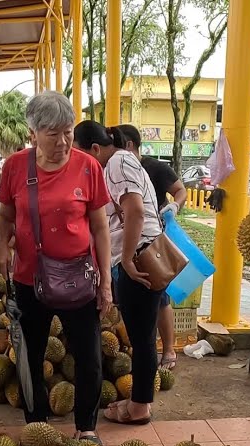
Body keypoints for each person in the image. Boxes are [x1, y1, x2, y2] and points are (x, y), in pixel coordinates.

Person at [0, 92, 113, 446]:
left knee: (89, 357)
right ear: (33, 133)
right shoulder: (15, 167)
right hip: (30, 278)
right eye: (52, 134)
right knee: (29, 357)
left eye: (68, 132)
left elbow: (100, 227)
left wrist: (105, 280)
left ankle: (87, 428)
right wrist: (2, 242)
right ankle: (38, 425)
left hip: (79, 277)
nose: (62, 142)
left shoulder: (87, 167)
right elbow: (4, 215)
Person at [73, 121, 164, 426]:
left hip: (139, 256)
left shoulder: (115, 163)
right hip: (145, 252)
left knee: (142, 338)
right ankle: (139, 401)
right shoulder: (124, 160)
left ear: (95, 149)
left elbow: (135, 210)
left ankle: (139, 407)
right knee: (143, 335)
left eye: (80, 153)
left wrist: (125, 259)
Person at [115, 124, 187, 370]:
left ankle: (168, 350)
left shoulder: (154, 167)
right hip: (126, 244)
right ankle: (141, 352)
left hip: (151, 244)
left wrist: (174, 206)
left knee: (161, 300)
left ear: (128, 145)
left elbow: (180, 191)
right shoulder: (116, 168)